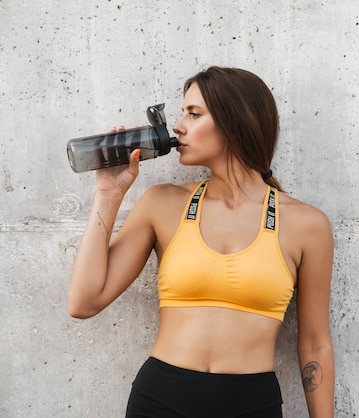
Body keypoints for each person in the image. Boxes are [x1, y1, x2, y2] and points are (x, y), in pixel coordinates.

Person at [68, 66, 335, 417]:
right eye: (182, 113)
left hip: (253, 405)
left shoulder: (307, 225)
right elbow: (83, 302)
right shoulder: (162, 203)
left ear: (235, 122)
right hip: (160, 401)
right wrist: (108, 194)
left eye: (193, 114)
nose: (178, 126)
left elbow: (315, 343)